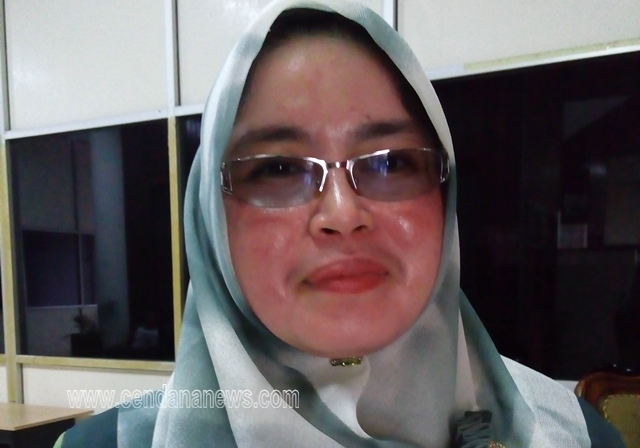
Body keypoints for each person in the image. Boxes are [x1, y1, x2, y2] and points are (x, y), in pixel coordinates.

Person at [55, 0, 624, 446]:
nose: (343, 215)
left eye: (391, 163)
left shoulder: (573, 436)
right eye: (278, 169)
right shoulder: (109, 444)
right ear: (211, 220)